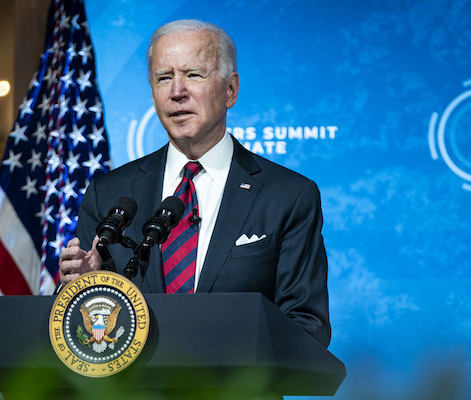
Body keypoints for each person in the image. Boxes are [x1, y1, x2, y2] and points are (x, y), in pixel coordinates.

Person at [58, 19, 331, 347]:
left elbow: (306, 325)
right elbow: (90, 336)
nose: (177, 92)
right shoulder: (110, 193)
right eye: (164, 78)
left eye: (193, 75)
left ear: (230, 90)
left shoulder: (289, 195)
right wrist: (84, 291)